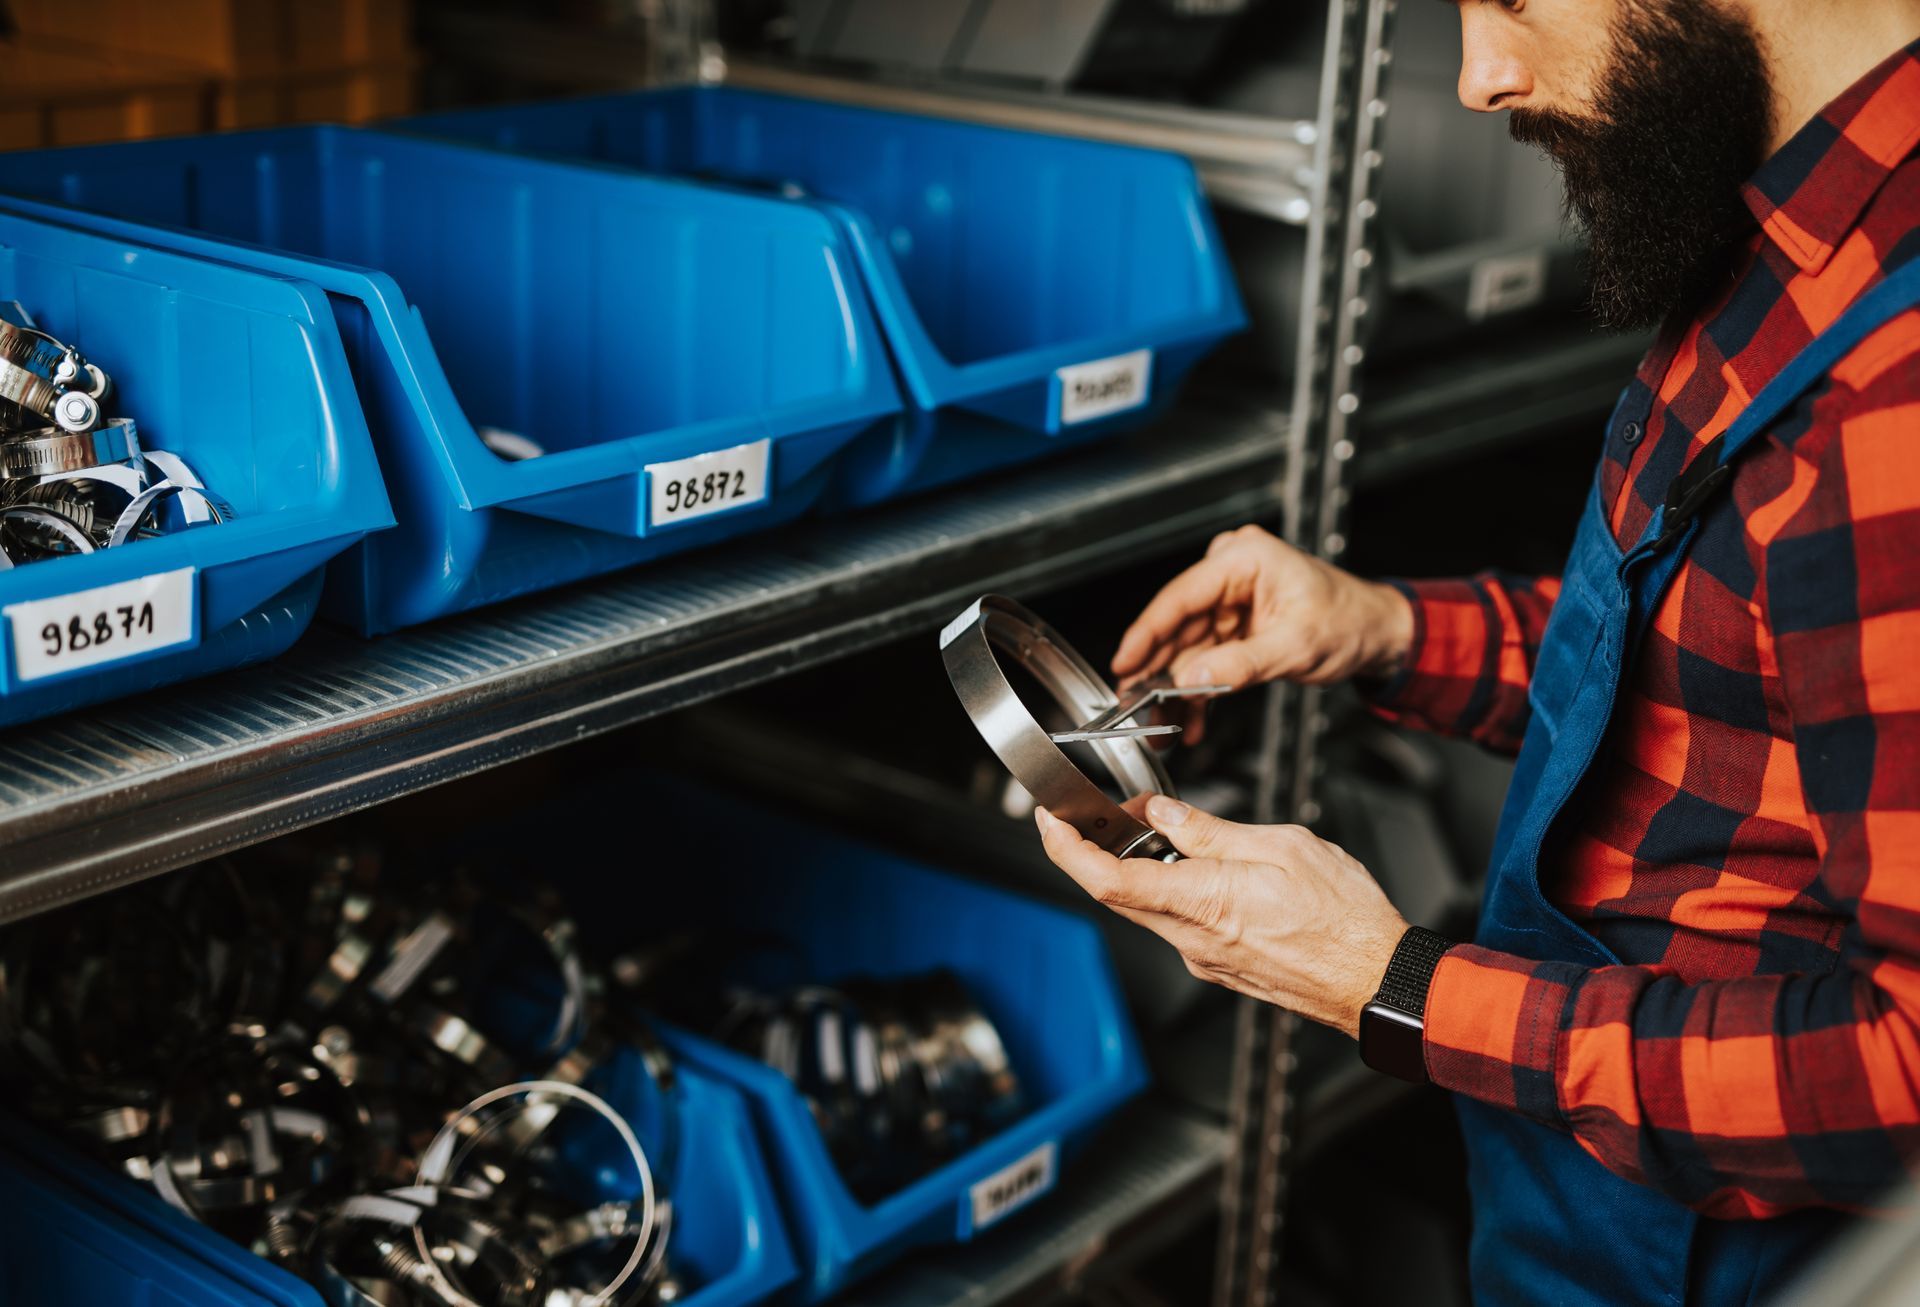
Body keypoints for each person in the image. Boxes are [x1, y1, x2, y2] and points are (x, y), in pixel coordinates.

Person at [1033, 2, 1920, 1303]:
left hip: (1724, 1255)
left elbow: (1902, 1073)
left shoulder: (1896, 385)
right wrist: (1384, 629)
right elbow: (1728, 675)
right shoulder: (1796, 221)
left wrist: (1391, 989)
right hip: (1595, 1186)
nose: (1483, 77)